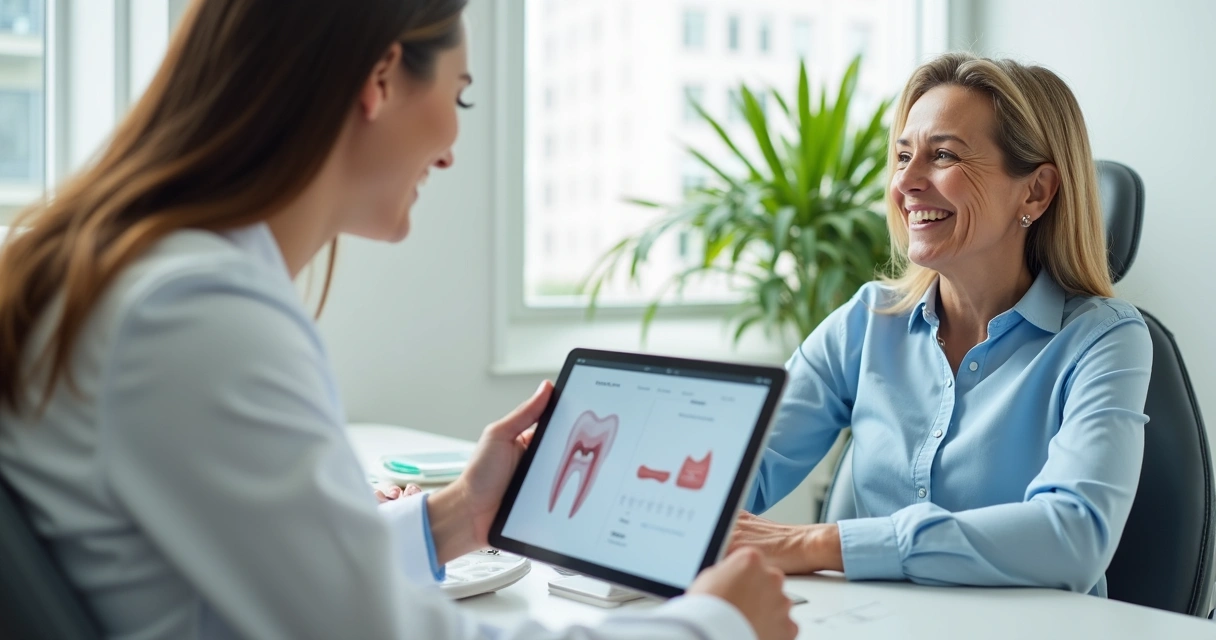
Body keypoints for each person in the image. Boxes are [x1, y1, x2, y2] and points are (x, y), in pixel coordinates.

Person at [0, 1, 797, 639]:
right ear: (380, 78)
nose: (452, 146)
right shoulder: (197, 317)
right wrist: (716, 622)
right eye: (460, 94)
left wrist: (456, 517)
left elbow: (288, 581)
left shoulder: (143, 277)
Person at [728, 52, 1152, 597]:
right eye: (903, 156)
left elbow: (1074, 536)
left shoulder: (1104, 340)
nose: (905, 182)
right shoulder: (866, 321)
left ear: (1036, 191)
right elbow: (740, 472)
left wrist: (819, 544)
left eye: (943, 155)